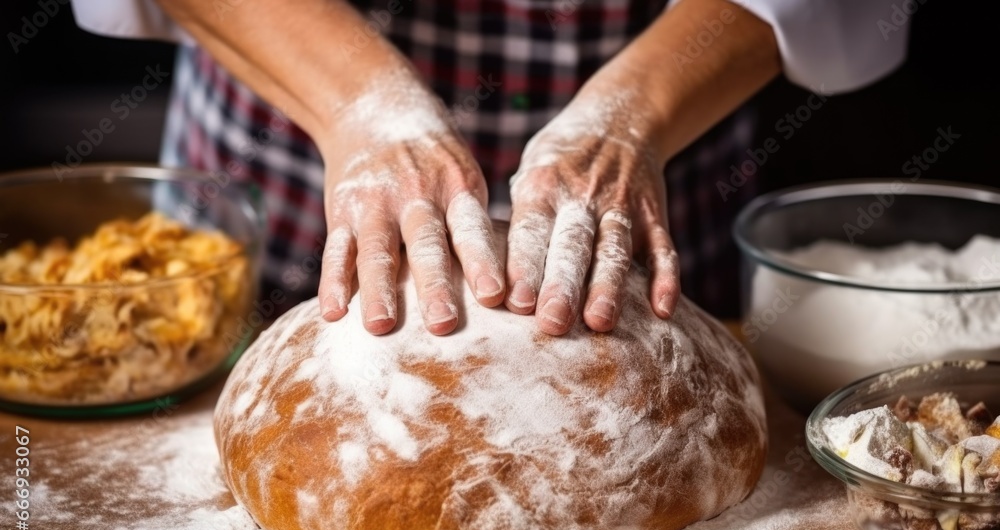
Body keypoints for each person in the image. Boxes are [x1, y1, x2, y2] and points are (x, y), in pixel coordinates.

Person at [71, 0, 908, 336]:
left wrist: (631, 118)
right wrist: (359, 109)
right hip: (285, 152)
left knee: (650, 445)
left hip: (637, 187)